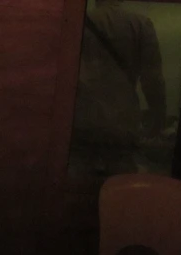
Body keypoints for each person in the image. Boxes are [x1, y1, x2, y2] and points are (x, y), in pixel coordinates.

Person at [70, 0, 167, 183]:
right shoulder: (140, 24)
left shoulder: (79, 21)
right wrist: (157, 117)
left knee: (76, 182)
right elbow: (152, 79)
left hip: (81, 114)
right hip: (121, 118)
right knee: (120, 184)